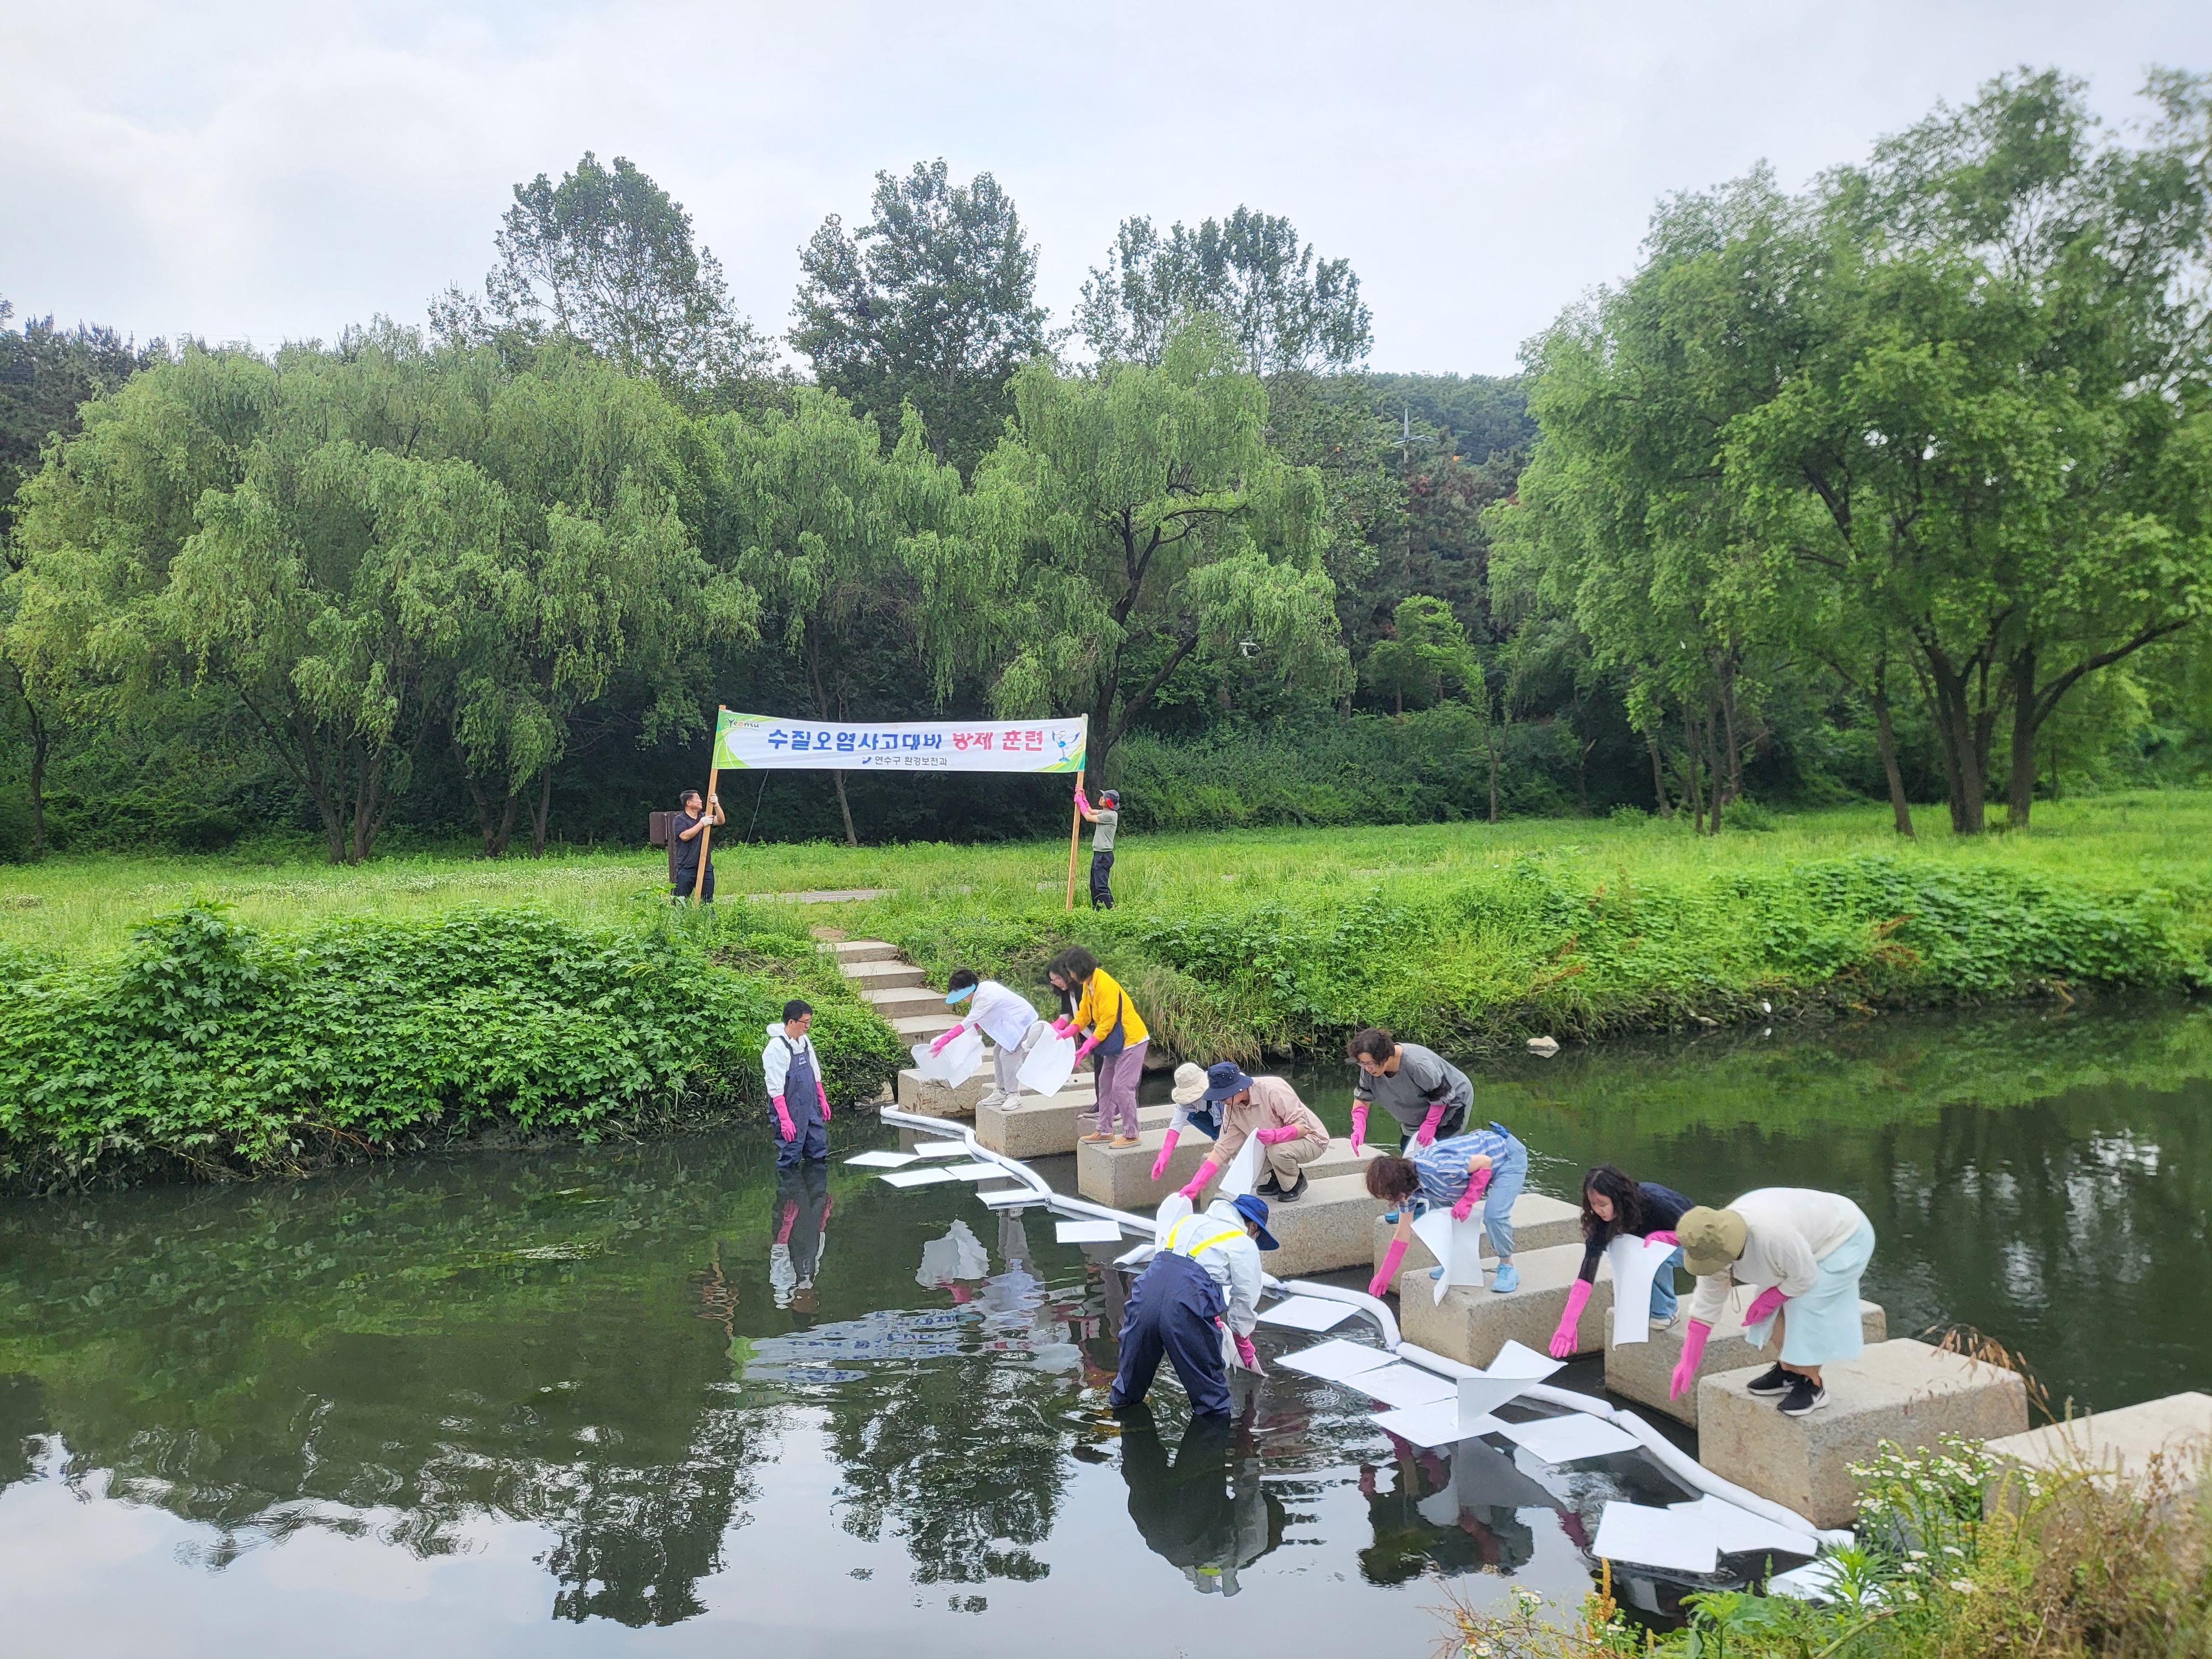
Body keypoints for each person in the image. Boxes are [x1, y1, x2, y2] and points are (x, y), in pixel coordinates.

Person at [1665, 1188, 1877, 1418]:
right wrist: (1688, 1358)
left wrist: (1770, 1299)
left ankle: (1812, 1384)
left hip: (1844, 1237)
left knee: (1806, 1304)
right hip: (1802, 1241)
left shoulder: (1773, 1235)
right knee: (1778, 1306)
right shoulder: (1708, 1243)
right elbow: (1707, 1301)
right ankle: (1789, 1372)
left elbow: (1804, 1278)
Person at [1110, 1193, 1277, 1416]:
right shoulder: (1244, 1244)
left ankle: (1122, 1429)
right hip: (1187, 1307)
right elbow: (1245, 1297)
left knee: (1128, 1387)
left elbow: (1171, 1265)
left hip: (1145, 1294)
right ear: (1253, 1227)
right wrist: (1242, 1337)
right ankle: (1213, 1448)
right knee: (1212, 1402)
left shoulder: (1190, 1222)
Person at [1364, 1120, 1528, 1297]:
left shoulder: (1439, 1168)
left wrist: (1467, 1201)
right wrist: (1384, 1275)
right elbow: (1402, 1234)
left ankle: (1507, 1265)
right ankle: (1455, 1261)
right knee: (1439, 1212)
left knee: (1494, 1215)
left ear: (1398, 1185)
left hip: (1506, 1158)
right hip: (1473, 1166)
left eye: (1390, 1195)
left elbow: (1484, 1163)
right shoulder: (1408, 1192)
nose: (1392, 1200)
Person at [1548, 1166, 1695, 1359]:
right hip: (1658, 1247)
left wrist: (1667, 1237)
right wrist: (1568, 1323)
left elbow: (1697, 1231)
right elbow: (1586, 1275)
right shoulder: (1601, 1222)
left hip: (1694, 1245)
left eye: (1602, 1204)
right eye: (1593, 1204)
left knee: (1646, 1252)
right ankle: (1663, 1310)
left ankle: (1666, 1309)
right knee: (1626, 1248)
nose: (1597, 1210)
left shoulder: (1655, 1202)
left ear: (1617, 1198)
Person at [1172, 1062, 1330, 1204]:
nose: (1224, 1102)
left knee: (1277, 1151)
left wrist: (1276, 1135)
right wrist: (1195, 1185)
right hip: (1273, 1142)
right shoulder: (1232, 1107)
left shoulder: (1272, 1090)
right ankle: (1277, 1177)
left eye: (1225, 1096)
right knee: (1244, 1156)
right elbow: (1223, 1148)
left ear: (1238, 1087)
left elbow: (1303, 1127)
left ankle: (1295, 1182)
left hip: (1311, 1139)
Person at [1050, 947, 1149, 1147]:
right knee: (1105, 1084)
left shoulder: (1104, 984)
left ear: (1079, 969)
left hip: (1132, 1041)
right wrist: (1067, 1033)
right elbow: (1084, 1015)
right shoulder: (1089, 984)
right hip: (1116, 1044)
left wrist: (1087, 1046)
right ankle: (1104, 1130)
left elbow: (1107, 1023)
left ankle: (1132, 1134)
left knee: (1122, 1087)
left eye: (1070, 971)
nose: (1070, 975)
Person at [930, 968, 1052, 1112]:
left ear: (969, 989)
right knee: (997, 1052)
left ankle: (1014, 1095)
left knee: (1007, 1055)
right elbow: (979, 1018)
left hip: (1022, 1023)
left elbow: (968, 1023)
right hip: (1012, 1024)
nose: (962, 998)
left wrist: (945, 1040)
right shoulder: (983, 990)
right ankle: (1001, 1092)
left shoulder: (985, 997)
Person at [1347, 1027, 1474, 1152]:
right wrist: (1358, 1126)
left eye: (1370, 1063)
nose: (1367, 1068)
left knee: (1439, 1151)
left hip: (1452, 1100)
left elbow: (1441, 1095)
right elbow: (1362, 1098)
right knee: (1408, 1152)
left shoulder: (1417, 1064)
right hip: (1417, 1108)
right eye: (1362, 1064)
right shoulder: (1368, 1070)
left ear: (1385, 1056)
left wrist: (1430, 1124)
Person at [760, 998, 832, 1167]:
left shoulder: (804, 1041)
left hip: (810, 1106)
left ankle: (819, 1193)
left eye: (810, 1021)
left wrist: (822, 1098)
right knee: (790, 1156)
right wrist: (785, 1119)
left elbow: (814, 1071)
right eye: (805, 1022)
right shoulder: (776, 1048)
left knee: (818, 1150)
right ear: (792, 1022)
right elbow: (775, 1089)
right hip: (790, 1110)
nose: (808, 1026)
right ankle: (789, 1192)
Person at [770, 1161, 831, 1315]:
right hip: (812, 1220)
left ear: (799, 1308)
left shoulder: (784, 1283)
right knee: (817, 1170)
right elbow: (816, 1251)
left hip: (792, 1221)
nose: (815, 1302)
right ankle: (813, 1147)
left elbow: (779, 1251)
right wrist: (823, 1218)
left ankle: (790, 1141)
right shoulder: (810, 1279)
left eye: (812, 1306)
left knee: (790, 1174)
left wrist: (787, 1222)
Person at [669, 787, 724, 902]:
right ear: (689, 803)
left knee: (707, 901)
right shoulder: (680, 820)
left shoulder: (704, 816)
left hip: (705, 867)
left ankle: (708, 919)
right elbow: (685, 836)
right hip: (686, 867)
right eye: (697, 799)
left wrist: (716, 805)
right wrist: (702, 824)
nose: (701, 801)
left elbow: (721, 820)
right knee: (681, 901)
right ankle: (682, 920)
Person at [1074, 785, 1121, 909]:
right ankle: (1098, 910)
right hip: (1098, 854)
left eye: (1104, 798)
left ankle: (1112, 909)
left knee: (1101, 886)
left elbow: (1088, 817)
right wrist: (1083, 798)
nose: (1101, 798)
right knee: (1094, 885)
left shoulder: (1110, 815)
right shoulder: (1105, 812)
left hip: (1104, 856)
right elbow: (1089, 811)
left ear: (1109, 802)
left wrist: (1079, 803)